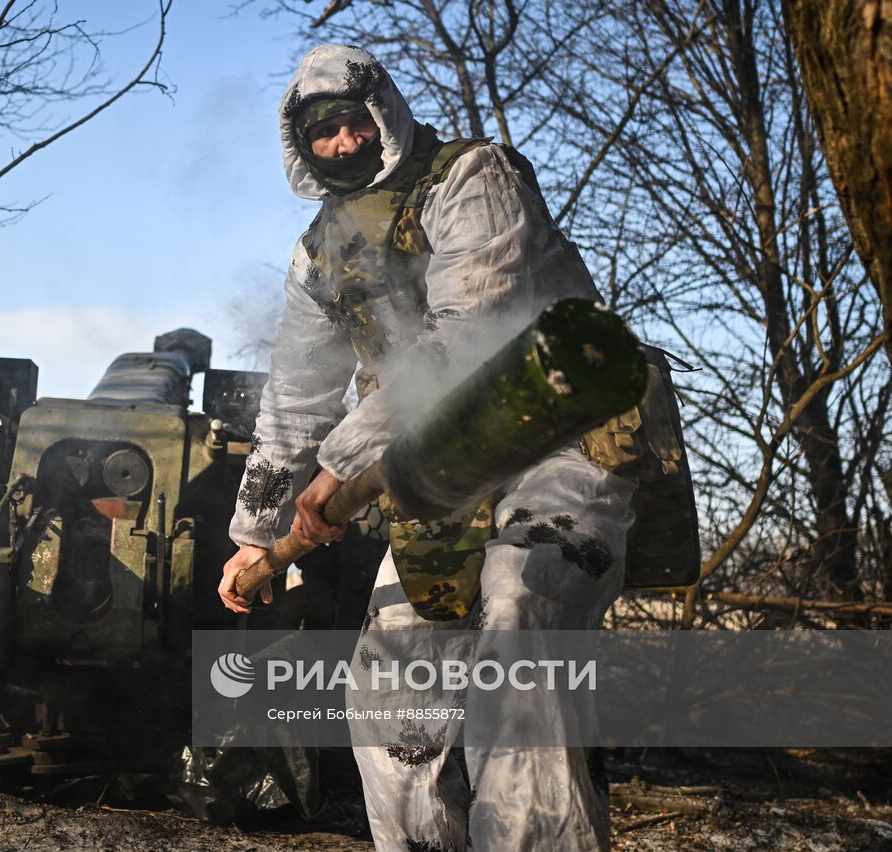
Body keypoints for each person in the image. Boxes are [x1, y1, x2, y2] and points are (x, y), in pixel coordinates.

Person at [217, 44, 636, 851]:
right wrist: (255, 535)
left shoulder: (473, 179)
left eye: (350, 124)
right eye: (320, 136)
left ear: (383, 115)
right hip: (437, 470)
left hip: (558, 435)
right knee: (392, 679)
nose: (340, 145)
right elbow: (297, 394)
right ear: (298, 149)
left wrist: (346, 457)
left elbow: (470, 333)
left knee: (521, 599)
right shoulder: (318, 254)